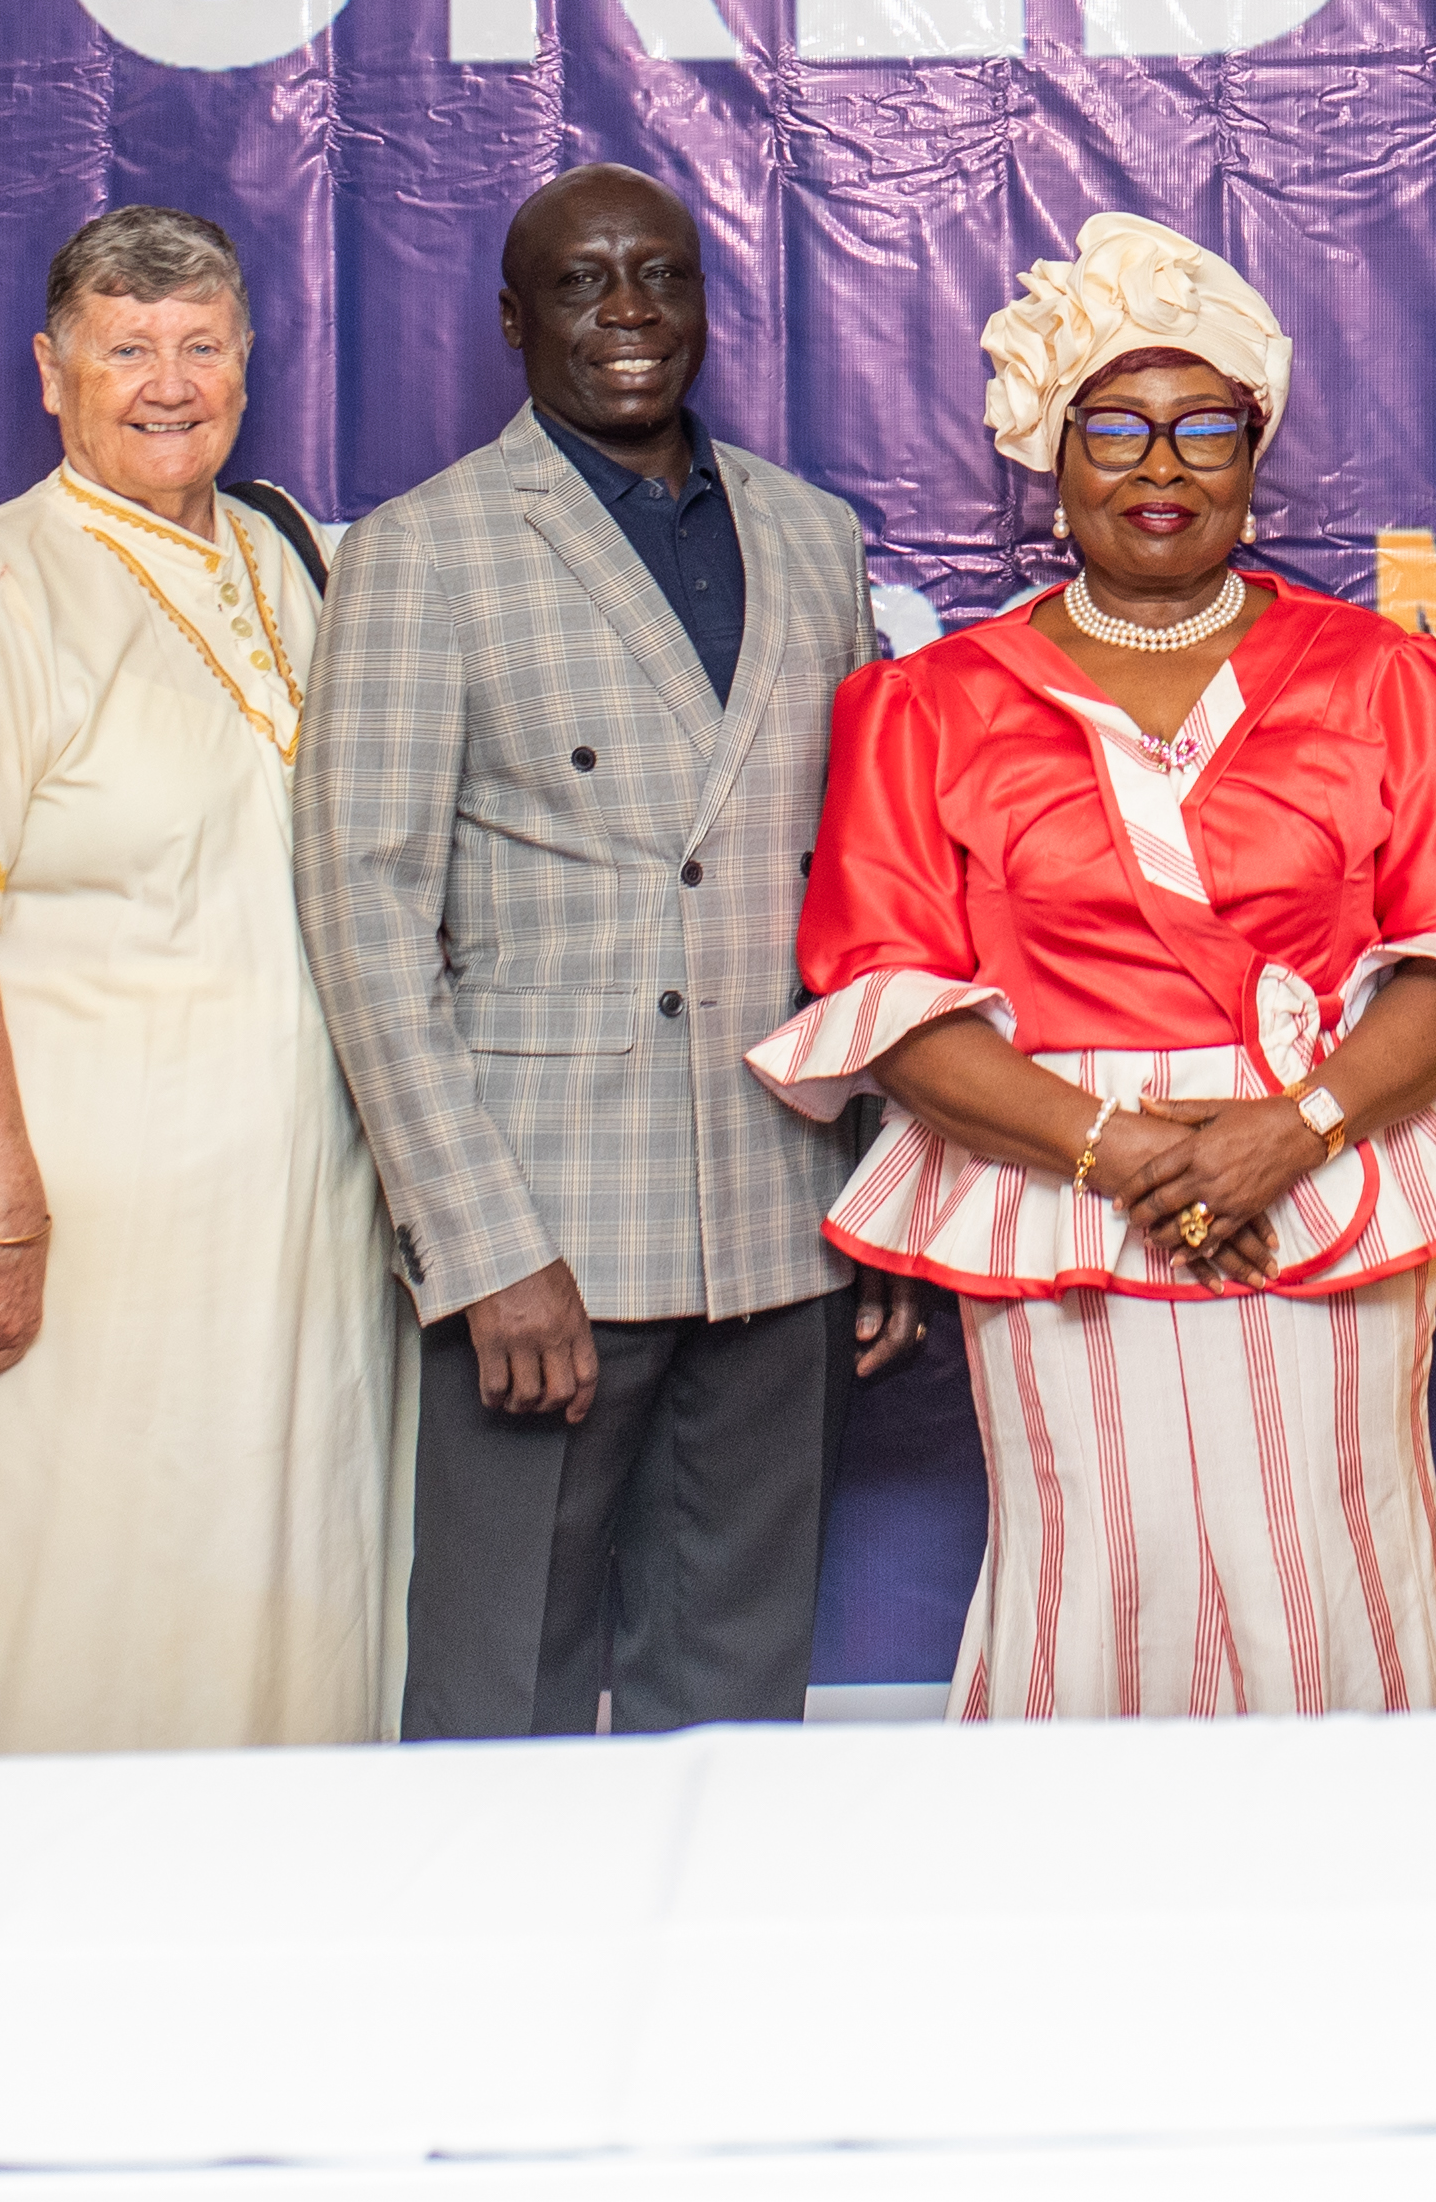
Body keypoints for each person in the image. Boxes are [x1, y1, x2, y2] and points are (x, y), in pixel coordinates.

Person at [748, 215, 1436, 1716]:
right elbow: (890, 1004)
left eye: (1205, 427)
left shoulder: (1388, 679)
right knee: (1093, 1566)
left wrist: (1288, 1133)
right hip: (1052, 1174)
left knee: (1333, 1557)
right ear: (1053, 452)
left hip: (1331, 1159)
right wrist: (1128, 1152)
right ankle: (1075, 1927)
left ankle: (1379, 1914)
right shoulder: (921, 705)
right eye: (1115, 426)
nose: (1161, 466)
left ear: (1256, 451)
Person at [303, 162, 925, 1740]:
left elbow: (871, 892)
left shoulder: (810, 534)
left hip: (783, 1208)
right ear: (514, 322)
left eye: (660, 275)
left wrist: (884, 1195)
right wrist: (479, 1244)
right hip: (548, 1227)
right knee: (497, 1679)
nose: (629, 311)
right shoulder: (421, 549)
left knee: (731, 1686)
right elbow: (366, 915)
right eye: (582, 284)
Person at [0, 207, 399, 1756]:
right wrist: (4, 1216)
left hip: (276, 1239)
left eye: (200, 346)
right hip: (54, 1243)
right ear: (49, 373)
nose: (166, 381)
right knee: (43, 1619)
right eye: (124, 348)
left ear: (248, 369)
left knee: (252, 1620)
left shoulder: (284, 558)